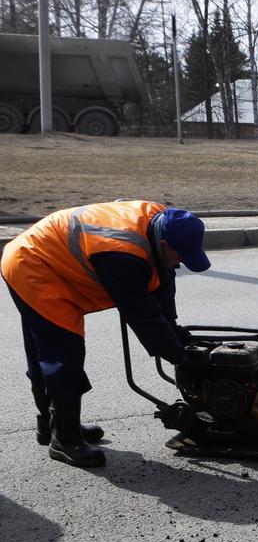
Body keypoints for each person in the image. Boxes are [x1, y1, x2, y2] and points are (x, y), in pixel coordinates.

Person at [1, 200, 211, 469]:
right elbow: (142, 314)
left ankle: (52, 426)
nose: (181, 261)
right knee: (62, 353)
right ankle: (64, 439)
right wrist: (181, 359)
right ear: (163, 245)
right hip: (35, 265)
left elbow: (161, 281)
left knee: (48, 350)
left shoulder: (162, 221)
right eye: (181, 254)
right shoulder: (122, 253)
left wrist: (175, 330)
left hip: (46, 254)